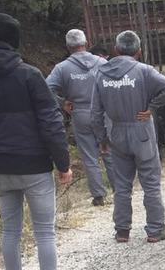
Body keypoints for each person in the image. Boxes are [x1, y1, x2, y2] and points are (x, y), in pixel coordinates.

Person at [0, 13, 72, 270]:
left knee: (10, 231)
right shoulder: (30, 75)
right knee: (44, 232)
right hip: (35, 166)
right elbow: (51, 123)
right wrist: (63, 164)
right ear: (14, 40)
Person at [91, 30, 165, 243]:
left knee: (122, 186)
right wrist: (151, 107)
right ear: (139, 51)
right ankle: (155, 230)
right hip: (142, 132)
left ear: (116, 50)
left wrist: (103, 139)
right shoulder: (143, 71)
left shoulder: (101, 74)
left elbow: (95, 113)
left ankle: (122, 231)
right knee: (150, 184)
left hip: (117, 133)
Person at [46, 29, 115, 207]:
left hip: (80, 112)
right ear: (86, 42)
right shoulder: (101, 62)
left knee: (89, 155)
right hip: (103, 112)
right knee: (109, 151)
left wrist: (62, 102)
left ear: (68, 47)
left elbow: (46, 89)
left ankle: (99, 196)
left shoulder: (62, 68)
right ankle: (120, 190)